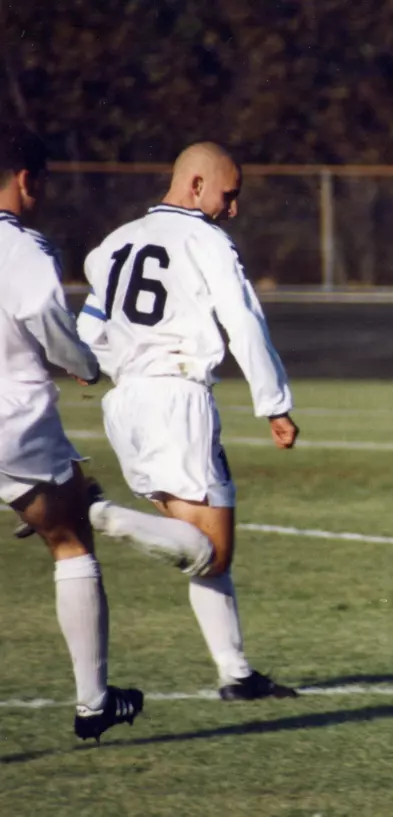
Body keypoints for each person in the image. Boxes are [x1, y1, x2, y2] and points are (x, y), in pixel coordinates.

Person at [2, 125, 223, 741]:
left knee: (62, 509)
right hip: (11, 420)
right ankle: (94, 702)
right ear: (27, 181)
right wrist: (83, 363)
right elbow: (46, 319)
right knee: (71, 540)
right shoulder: (22, 247)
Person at [76, 142, 300, 701]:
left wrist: (88, 367)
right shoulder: (205, 240)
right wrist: (273, 401)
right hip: (177, 398)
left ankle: (237, 675)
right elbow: (243, 321)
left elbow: (88, 327)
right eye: (229, 195)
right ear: (196, 185)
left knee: (201, 548)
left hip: (125, 404)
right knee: (212, 552)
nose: (233, 209)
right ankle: (98, 512)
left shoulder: (113, 245)